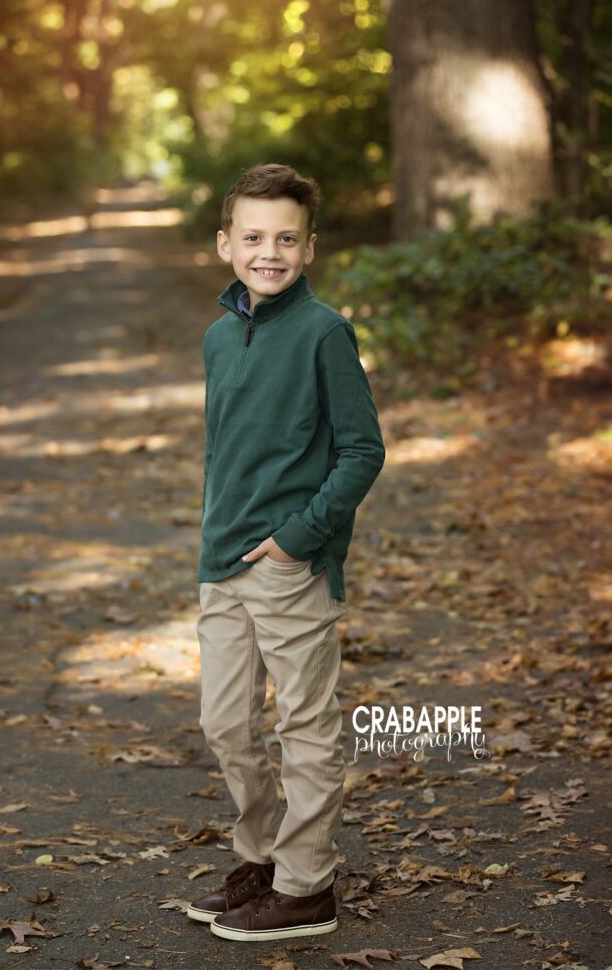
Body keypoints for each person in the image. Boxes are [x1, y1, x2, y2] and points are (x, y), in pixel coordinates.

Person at [187, 163, 386, 942]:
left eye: (285, 239)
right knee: (225, 724)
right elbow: (222, 452)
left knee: (304, 724)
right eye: (252, 237)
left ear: (309, 247)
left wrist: (298, 539)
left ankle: (305, 885)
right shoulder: (217, 336)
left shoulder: (323, 332)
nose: (267, 252)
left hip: (289, 565)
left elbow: (361, 450)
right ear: (225, 245)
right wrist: (213, 536)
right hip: (221, 562)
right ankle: (263, 857)